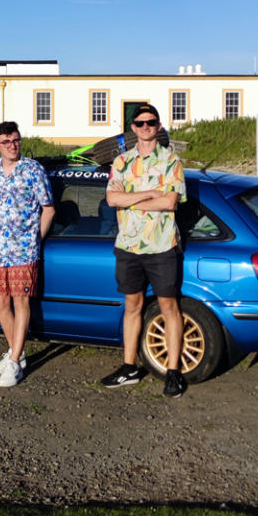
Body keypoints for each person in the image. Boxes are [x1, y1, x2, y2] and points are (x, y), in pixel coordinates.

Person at [102, 102, 188, 398]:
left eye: (151, 122)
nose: (145, 127)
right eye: (140, 123)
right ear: (133, 128)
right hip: (128, 246)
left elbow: (169, 203)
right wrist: (151, 193)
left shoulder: (171, 161)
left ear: (159, 126)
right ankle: (128, 367)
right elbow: (112, 200)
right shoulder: (121, 162)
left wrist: (132, 200)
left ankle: (173, 372)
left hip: (162, 246)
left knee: (169, 308)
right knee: (133, 306)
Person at [0, 121, 54, 388]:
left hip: (25, 249)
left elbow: (49, 209)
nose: (13, 146)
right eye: (6, 142)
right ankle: (15, 354)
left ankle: (15, 360)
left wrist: (35, 240)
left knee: (21, 302)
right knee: (0, 302)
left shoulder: (33, 170)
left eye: (16, 140)